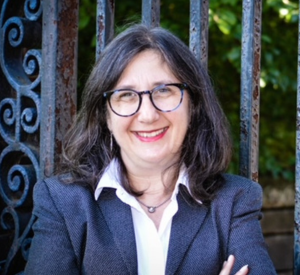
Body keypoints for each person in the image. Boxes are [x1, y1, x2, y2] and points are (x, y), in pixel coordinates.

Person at [25, 24, 276, 275]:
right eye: (126, 95)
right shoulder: (61, 202)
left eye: (164, 90)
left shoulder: (235, 201)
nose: (147, 115)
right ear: (105, 117)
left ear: (193, 104)